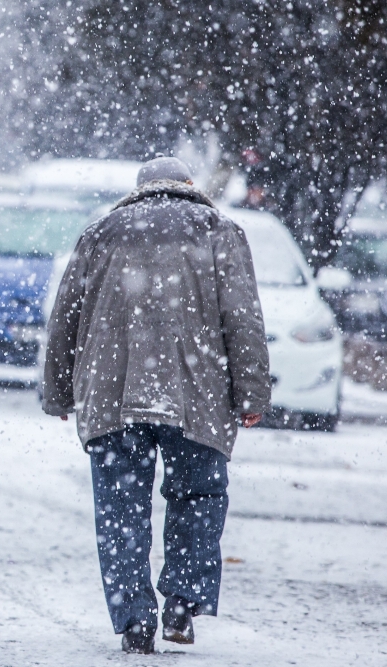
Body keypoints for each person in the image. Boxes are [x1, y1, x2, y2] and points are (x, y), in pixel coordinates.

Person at [42, 157, 271, 654]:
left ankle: (133, 619)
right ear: (190, 187)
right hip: (197, 396)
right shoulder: (220, 230)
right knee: (199, 497)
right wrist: (251, 392)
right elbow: (243, 317)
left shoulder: (101, 231)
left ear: (139, 190)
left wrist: (59, 391)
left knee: (120, 510)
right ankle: (183, 604)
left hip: (111, 395)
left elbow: (66, 315)